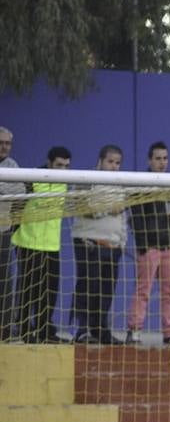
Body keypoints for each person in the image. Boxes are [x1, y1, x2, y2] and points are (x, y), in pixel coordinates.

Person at [126, 141, 170, 345]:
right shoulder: (140, 184)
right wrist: (143, 246)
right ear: (149, 160)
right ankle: (134, 331)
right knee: (144, 289)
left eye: (165, 158)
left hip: (169, 244)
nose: (162, 163)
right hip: (150, 246)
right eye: (158, 158)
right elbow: (136, 218)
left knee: (169, 291)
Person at [71, 144, 129, 344]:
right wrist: (107, 208)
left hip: (112, 247)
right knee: (88, 286)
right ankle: (82, 328)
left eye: (118, 163)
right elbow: (80, 205)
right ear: (100, 161)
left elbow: (122, 216)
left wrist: (122, 241)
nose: (114, 166)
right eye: (110, 162)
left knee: (106, 291)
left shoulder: (120, 184)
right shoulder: (87, 180)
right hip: (89, 243)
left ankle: (100, 329)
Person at [14, 145, 70, 344]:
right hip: (28, 243)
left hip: (51, 246)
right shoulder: (33, 179)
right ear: (49, 162)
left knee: (50, 291)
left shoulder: (66, 183)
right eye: (59, 165)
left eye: (66, 166)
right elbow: (16, 209)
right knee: (28, 289)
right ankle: (23, 328)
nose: (62, 170)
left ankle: (44, 329)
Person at [0, 126, 20, 341]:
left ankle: (5, 330)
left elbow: (18, 194)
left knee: (4, 283)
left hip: (3, 231)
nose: (4, 146)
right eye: (1, 142)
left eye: (7, 143)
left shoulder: (13, 166)